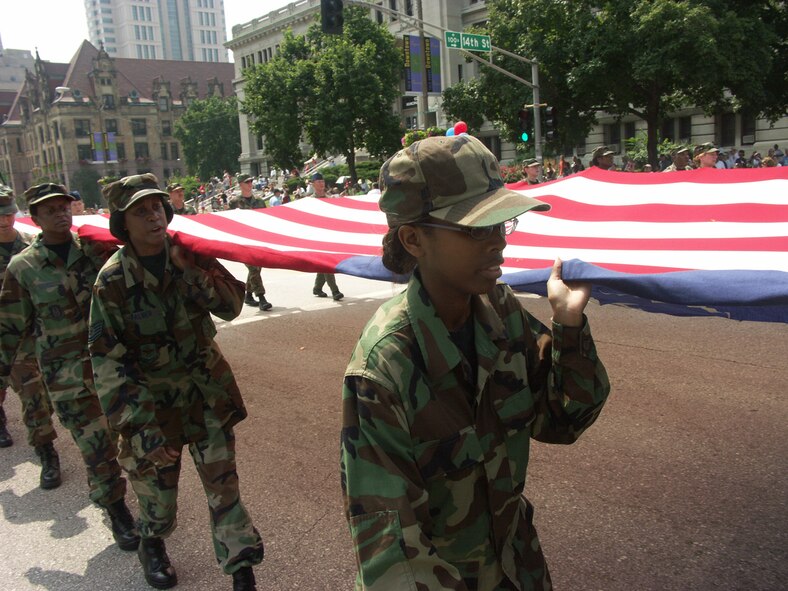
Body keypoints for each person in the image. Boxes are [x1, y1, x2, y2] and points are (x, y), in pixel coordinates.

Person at [340, 134, 611, 590]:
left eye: (501, 224)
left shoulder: (499, 310)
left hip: (518, 566)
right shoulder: (384, 368)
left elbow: (564, 420)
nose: (498, 244)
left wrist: (568, 324)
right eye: (475, 229)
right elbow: (394, 557)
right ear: (413, 239)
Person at [90, 173, 265, 591]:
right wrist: (142, 429)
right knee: (160, 501)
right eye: (140, 211)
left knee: (225, 491)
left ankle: (242, 571)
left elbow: (232, 306)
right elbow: (108, 363)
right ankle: (151, 541)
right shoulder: (112, 281)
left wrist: (190, 273)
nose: (153, 216)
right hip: (153, 410)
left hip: (207, 397)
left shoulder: (191, 255)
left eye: (157, 207)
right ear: (122, 223)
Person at [0, 182, 138, 550]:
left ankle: (144, 504)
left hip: (113, 369)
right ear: (36, 218)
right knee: (96, 449)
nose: (61, 214)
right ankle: (118, 512)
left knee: (133, 442)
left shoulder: (95, 250)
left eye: (64, 207)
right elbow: (10, 327)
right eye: (50, 210)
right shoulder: (23, 267)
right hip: (67, 380)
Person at [0, 185, 61, 489]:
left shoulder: (30, 246)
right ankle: (46, 452)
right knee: (31, 393)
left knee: (43, 394)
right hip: (7, 335)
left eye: (8, 214)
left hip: (36, 333)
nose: (4, 220)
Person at [229, 173, 272, 311]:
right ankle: (262, 298)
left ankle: (248, 295)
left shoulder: (259, 201)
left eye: (251, 181)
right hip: (243, 241)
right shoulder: (234, 202)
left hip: (258, 239)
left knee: (257, 268)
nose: (250, 184)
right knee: (253, 268)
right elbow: (229, 222)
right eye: (247, 182)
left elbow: (267, 219)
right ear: (240, 184)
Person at [309, 173, 344, 301]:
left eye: (322, 181)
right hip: (317, 236)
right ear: (313, 184)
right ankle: (335, 290)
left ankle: (317, 287)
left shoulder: (330, 199)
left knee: (324, 263)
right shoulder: (309, 201)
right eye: (318, 182)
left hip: (329, 235)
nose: (321, 184)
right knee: (327, 263)